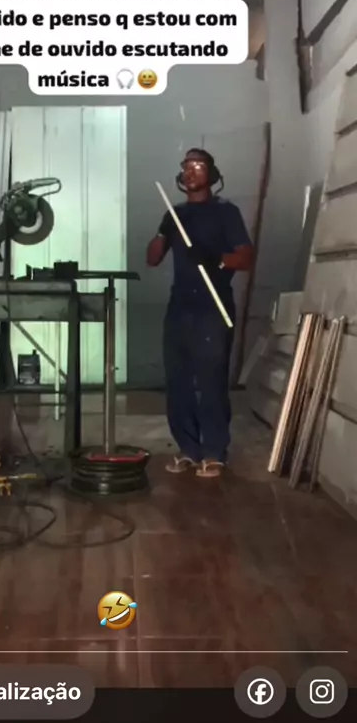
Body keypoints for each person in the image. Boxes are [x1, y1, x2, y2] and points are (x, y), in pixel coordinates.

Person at [146, 148, 254, 479]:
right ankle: (188, 450)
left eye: (198, 166)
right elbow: (152, 259)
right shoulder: (176, 214)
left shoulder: (226, 212)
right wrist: (163, 230)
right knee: (177, 381)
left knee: (210, 381)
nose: (191, 172)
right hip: (180, 307)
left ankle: (214, 452)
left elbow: (246, 257)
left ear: (212, 173)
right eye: (186, 166)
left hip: (213, 307)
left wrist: (216, 259)